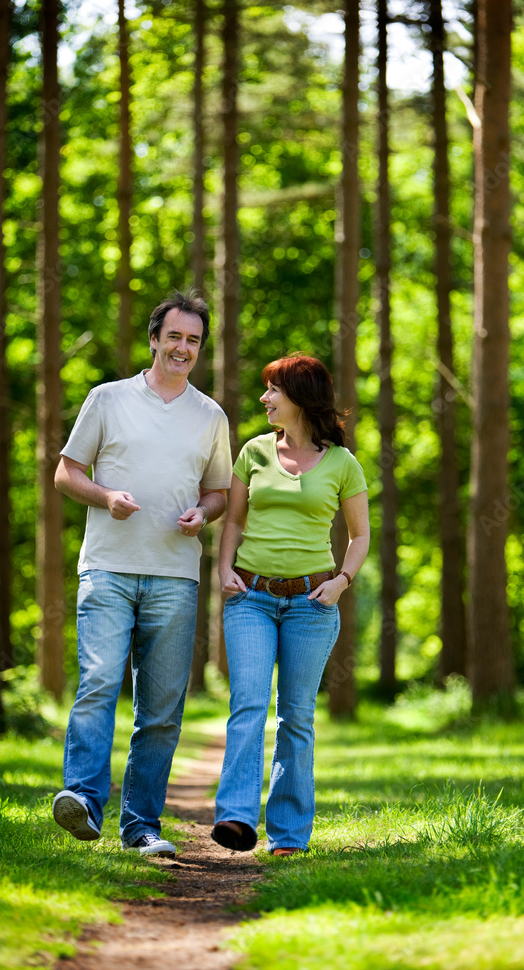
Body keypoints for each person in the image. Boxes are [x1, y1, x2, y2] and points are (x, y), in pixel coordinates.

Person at [52, 289, 232, 856]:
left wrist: (203, 513)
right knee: (99, 683)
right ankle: (83, 801)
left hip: (175, 576)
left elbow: (219, 491)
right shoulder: (107, 399)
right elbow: (65, 473)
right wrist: (106, 496)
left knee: (161, 710)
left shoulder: (211, 416)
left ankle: (140, 826)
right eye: (174, 336)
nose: (183, 347)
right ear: (154, 339)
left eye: (193, 340)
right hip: (107, 568)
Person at [211, 354, 369, 857]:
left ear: (299, 397)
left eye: (273, 389)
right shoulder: (254, 452)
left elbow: (361, 535)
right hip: (251, 598)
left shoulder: (343, 463)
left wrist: (342, 581)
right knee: (248, 704)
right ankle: (236, 816)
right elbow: (234, 521)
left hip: (312, 603)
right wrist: (224, 569)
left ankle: (289, 835)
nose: (264, 398)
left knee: (296, 717)